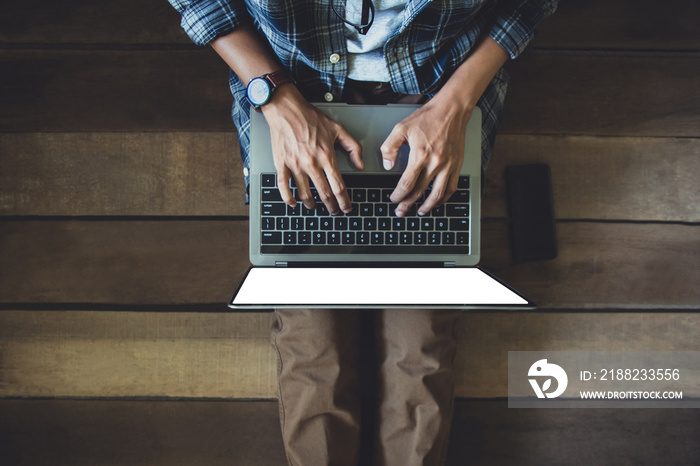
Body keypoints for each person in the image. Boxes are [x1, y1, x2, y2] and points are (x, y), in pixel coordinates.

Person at [168, 1, 557, 465]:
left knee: (422, 351)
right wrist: (271, 92)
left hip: (439, 101)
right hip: (290, 97)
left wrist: (456, 104)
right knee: (314, 350)